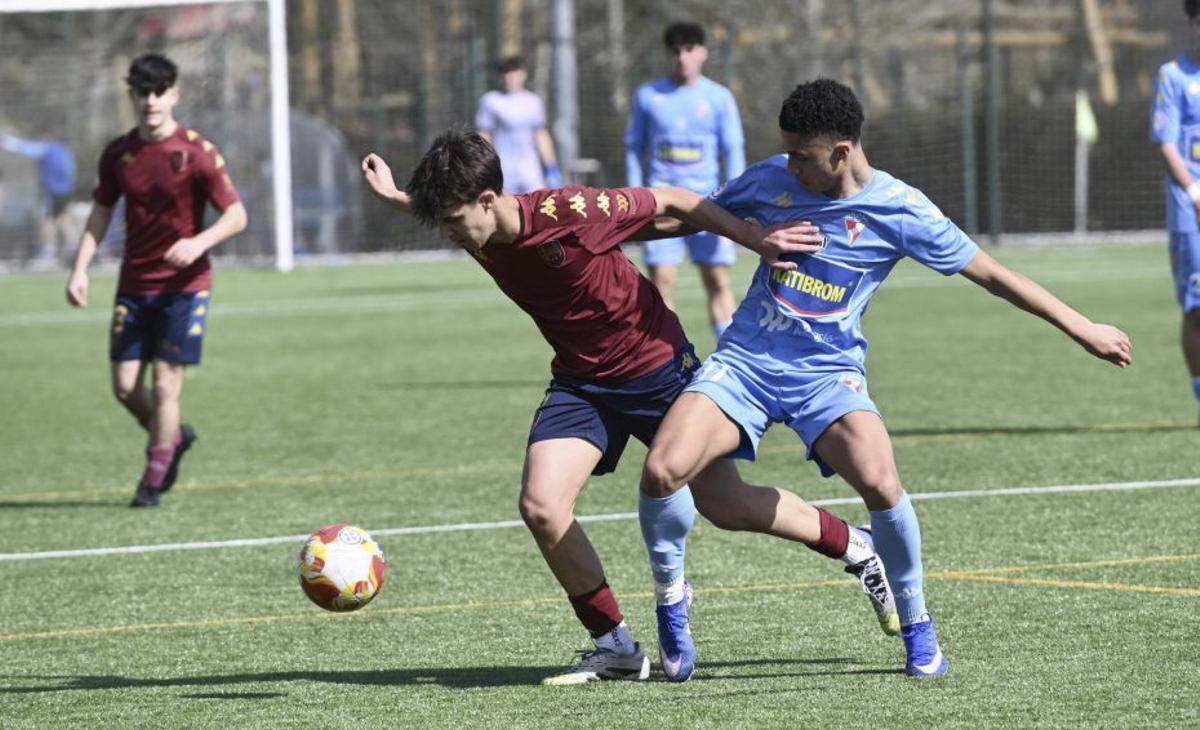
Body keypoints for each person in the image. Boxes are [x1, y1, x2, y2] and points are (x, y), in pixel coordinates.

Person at [361, 128, 900, 685]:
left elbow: (673, 200)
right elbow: (449, 211)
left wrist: (756, 238)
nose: (449, 235)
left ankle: (855, 546)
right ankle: (615, 645)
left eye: (452, 220)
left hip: (657, 369)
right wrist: (399, 197)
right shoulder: (475, 222)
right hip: (581, 382)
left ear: (489, 201)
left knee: (726, 505)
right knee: (542, 506)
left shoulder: (568, 210)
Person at [637, 78, 1132, 680]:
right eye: (786, 152)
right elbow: (694, 215)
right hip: (745, 362)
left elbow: (995, 275)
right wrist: (604, 232)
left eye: (802, 155)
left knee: (881, 480)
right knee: (664, 470)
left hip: (828, 374)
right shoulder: (772, 179)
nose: (788, 165)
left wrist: (1082, 327)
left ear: (842, 151)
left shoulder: (901, 209)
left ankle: (918, 625)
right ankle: (670, 604)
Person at [64, 53, 247, 507]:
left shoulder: (197, 153)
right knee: (126, 388)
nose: (151, 101)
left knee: (166, 385)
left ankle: (154, 474)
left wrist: (198, 242)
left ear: (174, 94)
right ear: (132, 96)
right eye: (142, 92)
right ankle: (173, 436)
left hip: (185, 287)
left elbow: (237, 215)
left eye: (159, 91)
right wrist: (80, 268)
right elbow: (102, 211)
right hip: (135, 285)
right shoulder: (118, 155)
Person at [625, 21, 745, 341]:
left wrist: (738, 198)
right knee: (662, 282)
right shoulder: (648, 96)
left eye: (689, 50)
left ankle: (729, 360)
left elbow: (733, 150)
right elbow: (634, 148)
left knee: (717, 279)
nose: (682, 57)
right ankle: (675, 359)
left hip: (710, 203)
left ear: (703, 53)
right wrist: (637, 197)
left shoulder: (719, 98)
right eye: (676, 51)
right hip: (662, 204)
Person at [1152, 0, 1200, 423]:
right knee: (1197, 306)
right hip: (1192, 210)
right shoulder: (1174, 76)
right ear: (1191, 22)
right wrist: (1194, 189)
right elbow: (1166, 141)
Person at [475, 56, 561, 194]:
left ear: (523, 74)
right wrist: (485, 165)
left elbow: (540, 135)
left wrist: (551, 167)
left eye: (514, 71)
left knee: (537, 206)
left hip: (530, 169)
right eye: (506, 72)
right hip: (503, 168)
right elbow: (484, 135)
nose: (510, 76)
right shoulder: (490, 101)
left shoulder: (533, 101)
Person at [2, 130, 77, 265]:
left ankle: (49, 252)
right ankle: (71, 247)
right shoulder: (63, 149)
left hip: (53, 191)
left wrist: (8, 141)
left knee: (47, 220)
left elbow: (27, 148)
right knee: (63, 218)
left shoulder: (47, 149)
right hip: (66, 191)